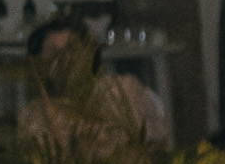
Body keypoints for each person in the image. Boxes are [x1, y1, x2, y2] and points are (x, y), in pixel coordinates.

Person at [20, 14, 171, 152]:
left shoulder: (123, 90)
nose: (66, 60)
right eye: (55, 55)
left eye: (72, 50)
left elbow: (157, 145)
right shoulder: (36, 115)